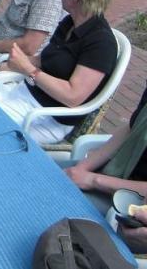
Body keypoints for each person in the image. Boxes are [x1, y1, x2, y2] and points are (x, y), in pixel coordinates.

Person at [0, 0, 118, 144]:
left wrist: (28, 70)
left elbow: (72, 96)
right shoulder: (70, 23)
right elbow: (41, 61)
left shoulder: (101, 43)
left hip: (46, 118)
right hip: (23, 95)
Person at [62, 80, 147, 216]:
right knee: (44, 174)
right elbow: (132, 127)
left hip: (133, 203)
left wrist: (93, 180)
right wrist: (81, 168)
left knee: (55, 201)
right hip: (112, 172)